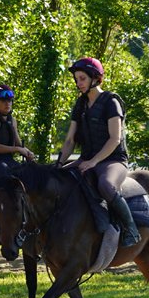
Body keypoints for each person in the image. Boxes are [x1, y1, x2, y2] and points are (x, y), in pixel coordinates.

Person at [55, 57, 141, 247]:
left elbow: (114, 139)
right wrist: (59, 165)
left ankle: (131, 229)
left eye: (82, 78)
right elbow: (69, 140)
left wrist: (93, 162)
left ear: (95, 78)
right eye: (77, 79)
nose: (79, 83)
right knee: (58, 179)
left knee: (106, 185)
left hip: (113, 160)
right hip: (87, 159)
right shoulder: (80, 104)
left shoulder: (111, 102)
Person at [0, 84, 35, 178]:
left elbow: (18, 144)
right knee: (9, 179)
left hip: (9, 161)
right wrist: (17, 149)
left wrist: (28, 152)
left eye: (9, 101)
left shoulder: (12, 120)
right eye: (3, 101)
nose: (7, 104)